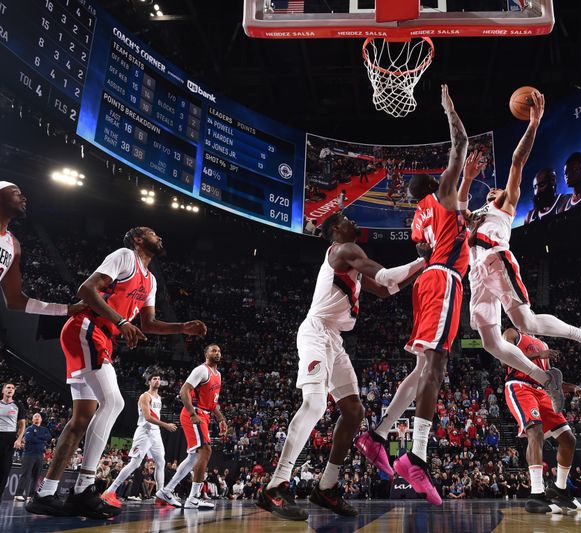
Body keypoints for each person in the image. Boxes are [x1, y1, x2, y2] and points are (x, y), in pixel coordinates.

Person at [26, 226, 207, 519]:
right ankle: (83, 490)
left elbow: (148, 323)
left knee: (80, 420)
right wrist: (121, 321)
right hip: (87, 327)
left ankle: (45, 494)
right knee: (114, 402)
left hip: (100, 336)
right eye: (152, 233)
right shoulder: (125, 256)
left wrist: (181, 327)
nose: (159, 236)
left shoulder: (151, 281)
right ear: (138, 239)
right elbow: (86, 289)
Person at [258, 212, 426, 520]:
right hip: (316, 331)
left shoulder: (352, 262)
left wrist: (423, 266)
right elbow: (388, 276)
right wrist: (423, 262)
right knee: (315, 403)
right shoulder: (343, 250)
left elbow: (386, 290)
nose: (354, 220)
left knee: (353, 410)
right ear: (336, 229)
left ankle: (327, 487)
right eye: (347, 217)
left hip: (333, 339)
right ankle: (275, 486)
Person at [458, 89, 581, 408]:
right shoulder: (473, 217)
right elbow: (457, 206)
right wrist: (468, 178)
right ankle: (545, 379)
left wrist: (533, 123)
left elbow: (517, 160)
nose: (493, 194)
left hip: (495, 260)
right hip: (476, 275)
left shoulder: (505, 204)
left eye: (497, 191)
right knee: (490, 342)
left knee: (526, 324)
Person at [356, 84, 469, 506]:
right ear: (436, 185)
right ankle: (416, 455)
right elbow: (459, 142)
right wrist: (449, 108)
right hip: (443, 282)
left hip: (425, 283)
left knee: (422, 369)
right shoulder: (442, 196)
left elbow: (431, 246)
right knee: (435, 368)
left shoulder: (418, 222)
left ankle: (377, 435)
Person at [502, 329, 581, 514]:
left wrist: (572, 387)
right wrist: (539, 354)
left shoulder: (543, 344)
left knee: (568, 439)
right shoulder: (512, 333)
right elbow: (504, 358)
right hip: (519, 386)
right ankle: (536, 494)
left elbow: (547, 380)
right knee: (535, 431)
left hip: (541, 390)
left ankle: (559, 489)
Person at [156, 344, 226, 510]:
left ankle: (166, 491)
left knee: (194, 457)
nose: (217, 353)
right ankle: (193, 498)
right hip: (194, 413)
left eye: (219, 351)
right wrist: (192, 413)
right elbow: (183, 391)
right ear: (206, 353)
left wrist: (221, 418)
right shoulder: (201, 370)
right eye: (213, 350)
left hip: (204, 414)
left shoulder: (218, 375)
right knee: (206, 451)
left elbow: (212, 403)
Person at [0, 181, 83, 318]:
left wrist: (66, 309)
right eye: (16, 194)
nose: (24, 198)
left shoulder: (13, 244)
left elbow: (14, 300)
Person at [102, 367, 177, 507]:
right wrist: (166, 425)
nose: (157, 381)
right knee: (135, 463)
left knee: (161, 462)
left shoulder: (159, 397)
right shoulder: (145, 396)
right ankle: (110, 491)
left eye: (159, 379)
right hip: (144, 431)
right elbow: (148, 417)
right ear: (149, 381)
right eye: (154, 379)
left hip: (155, 433)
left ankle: (160, 495)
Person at [15, 413, 51, 502]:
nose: (37, 418)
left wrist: (38, 437)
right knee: (25, 475)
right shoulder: (29, 429)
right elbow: (30, 439)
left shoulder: (44, 429)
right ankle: (18, 494)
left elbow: (49, 437)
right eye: (35, 417)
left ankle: (31, 496)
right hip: (29, 455)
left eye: (39, 417)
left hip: (39, 455)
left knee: (36, 476)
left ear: (41, 419)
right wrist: (42, 438)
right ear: (32, 420)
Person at [0, 383, 26, 501]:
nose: (10, 389)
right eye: (8, 387)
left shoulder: (18, 405)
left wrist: (19, 439)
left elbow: (22, 425)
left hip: (9, 438)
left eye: (12, 388)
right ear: (3, 390)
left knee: (4, 469)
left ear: (14, 392)